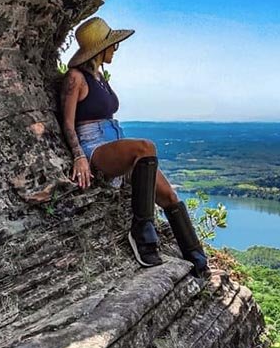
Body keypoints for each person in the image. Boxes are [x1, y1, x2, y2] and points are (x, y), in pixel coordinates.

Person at [60, 16, 210, 279]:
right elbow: (68, 123)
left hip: (115, 141)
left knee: (170, 197)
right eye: (112, 45)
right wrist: (79, 157)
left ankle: (197, 260)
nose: (115, 49)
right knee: (146, 147)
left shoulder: (99, 78)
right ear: (99, 48)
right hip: (94, 144)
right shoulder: (76, 78)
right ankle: (141, 232)